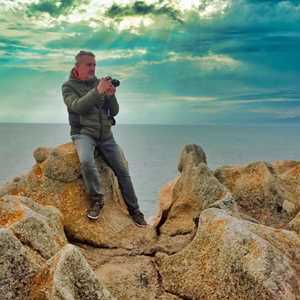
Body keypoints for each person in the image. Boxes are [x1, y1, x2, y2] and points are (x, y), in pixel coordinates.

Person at [61, 50, 147, 226]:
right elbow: (78, 107)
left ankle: (135, 211)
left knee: (122, 170)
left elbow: (114, 111)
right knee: (86, 161)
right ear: (78, 66)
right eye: (89, 65)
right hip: (83, 133)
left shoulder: (99, 83)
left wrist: (110, 95)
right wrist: (97, 91)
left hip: (105, 135)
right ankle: (97, 200)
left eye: (94, 64)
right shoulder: (68, 87)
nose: (93, 68)